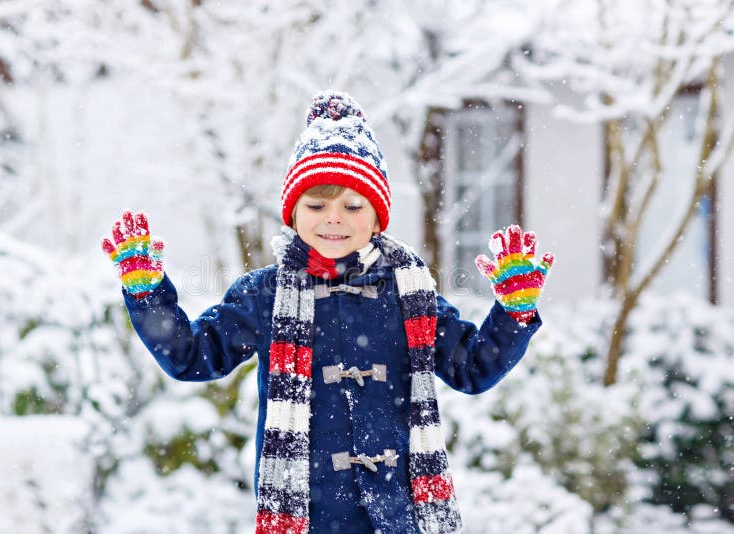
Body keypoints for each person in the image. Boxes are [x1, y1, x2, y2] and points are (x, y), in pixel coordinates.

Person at [101, 91, 554, 534]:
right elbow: (192, 356)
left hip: (399, 516)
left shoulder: (409, 292)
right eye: (316, 205)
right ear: (293, 215)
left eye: (352, 206)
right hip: (308, 516)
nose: (333, 219)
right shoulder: (266, 294)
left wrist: (512, 313)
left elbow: (471, 367)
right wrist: (148, 294)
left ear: (377, 218)